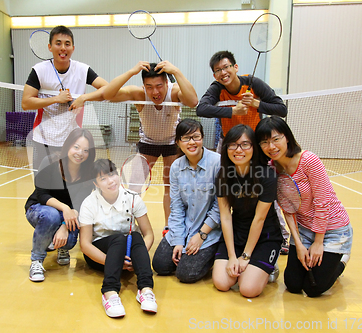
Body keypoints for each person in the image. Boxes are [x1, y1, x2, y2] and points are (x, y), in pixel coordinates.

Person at [196, 50, 290, 253]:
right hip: (230, 149)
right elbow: (201, 109)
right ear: (214, 75)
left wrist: (257, 104)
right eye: (218, 70)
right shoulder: (216, 89)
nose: (223, 72)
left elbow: (281, 109)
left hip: (254, 147)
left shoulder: (253, 83)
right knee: (231, 189)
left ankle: (281, 236)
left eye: (226, 67)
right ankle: (229, 231)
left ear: (235, 67)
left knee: (264, 191)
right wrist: (232, 111)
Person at [255, 116, 353, 297]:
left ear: (287, 138)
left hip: (332, 229)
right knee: (292, 284)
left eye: (276, 139)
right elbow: (287, 209)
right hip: (303, 229)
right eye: (264, 142)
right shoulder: (272, 168)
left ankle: (341, 261)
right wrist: (298, 243)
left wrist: (318, 242)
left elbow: (322, 203)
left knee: (313, 288)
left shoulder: (309, 161)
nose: (271, 146)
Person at [103, 61, 199, 235]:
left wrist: (176, 71)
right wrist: (131, 71)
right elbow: (108, 94)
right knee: (134, 187)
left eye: (159, 86)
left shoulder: (175, 91)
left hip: (171, 143)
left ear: (167, 84)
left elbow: (193, 101)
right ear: (144, 86)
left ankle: (170, 228)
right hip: (148, 143)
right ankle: (127, 225)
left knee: (170, 187)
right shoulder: (139, 94)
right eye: (149, 87)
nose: (155, 92)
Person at [21, 25, 108, 170]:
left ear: (73, 48)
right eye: (58, 43)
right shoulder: (39, 70)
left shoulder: (82, 70)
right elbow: (26, 103)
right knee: (43, 186)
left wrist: (83, 98)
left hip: (72, 141)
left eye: (67, 44)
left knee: (69, 186)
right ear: (50, 47)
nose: (63, 48)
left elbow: (106, 89)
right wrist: (56, 99)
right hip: (44, 139)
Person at [79, 159, 157, 318]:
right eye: (103, 179)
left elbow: (148, 234)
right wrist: (113, 261)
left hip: (128, 254)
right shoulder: (88, 204)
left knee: (135, 235)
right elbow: (85, 244)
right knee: (119, 239)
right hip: (100, 256)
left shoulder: (133, 198)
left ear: (118, 174)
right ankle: (109, 292)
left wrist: (136, 257)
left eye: (112, 174)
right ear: (96, 183)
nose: (110, 181)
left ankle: (146, 290)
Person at [212, 124, 283, 298]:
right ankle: (254, 269)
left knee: (248, 290)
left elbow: (259, 219)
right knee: (222, 283)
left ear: (254, 148)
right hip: (237, 235)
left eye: (245, 144)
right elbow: (226, 216)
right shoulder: (223, 175)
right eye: (233, 144)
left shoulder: (267, 176)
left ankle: (267, 269)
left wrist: (245, 256)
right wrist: (232, 256)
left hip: (265, 237)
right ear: (226, 147)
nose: (238, 150)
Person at [151, 119, 221, 283]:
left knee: (186, 274)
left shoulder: (217, 163)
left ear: (202, 138)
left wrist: (201, 235)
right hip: (184, 226)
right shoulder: (175, 166)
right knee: (160, 265)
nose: (192, 142)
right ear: (178, 142)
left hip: (209, 230)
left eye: (196, 137)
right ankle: (186, 252)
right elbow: (176, 207)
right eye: (186, 138)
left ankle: (213, 251)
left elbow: (220, 208)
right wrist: (178, 241)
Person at [25, 128, 96, 282]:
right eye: (76, 147)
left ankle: (60, 247)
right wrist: (65, 209)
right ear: (68, 146)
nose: (80, 153)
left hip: (68, 214)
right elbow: (42, 194)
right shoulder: (50, 162)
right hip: (39, 208)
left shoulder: (88, 172)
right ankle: (36, 261)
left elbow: (81, 203)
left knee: (70, 240)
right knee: (51, 216)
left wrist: (64, 226)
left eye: (85, 150)